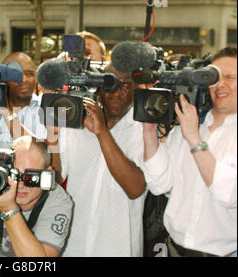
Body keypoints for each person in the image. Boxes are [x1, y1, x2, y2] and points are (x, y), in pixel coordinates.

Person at [142, 46, 237, 257]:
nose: (220, 84)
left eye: (230, 77)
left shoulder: (191, 130)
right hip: (173, 249)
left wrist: (194, 139)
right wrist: (149, 133)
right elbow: (160, 184)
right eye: (213, 77)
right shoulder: (186, 127)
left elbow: (229, 194)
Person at [59, 63, 147, 257]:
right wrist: (52, 136)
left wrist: (102, 133)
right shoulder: (75, 124)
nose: (117, 92)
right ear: (98, 89)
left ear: (136, 89)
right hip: (73, 246)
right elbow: (56, 179)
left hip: (120, 248)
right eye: (110, 84)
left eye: (125, 85)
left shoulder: (143, 129)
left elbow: (135, 188)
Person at [0, 52, 46, 149]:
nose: (24, 79)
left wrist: (9, 116)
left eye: (30, 74)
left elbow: (41, 151)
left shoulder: (46, 109)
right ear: (3, 79)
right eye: (16, 74)